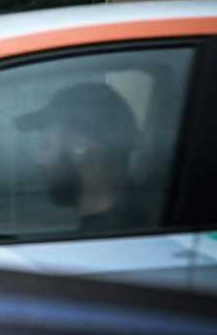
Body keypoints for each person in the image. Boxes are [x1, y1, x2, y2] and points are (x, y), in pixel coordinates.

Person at [16, 82, 149, 232]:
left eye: (46, 145)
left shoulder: (111, 238)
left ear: (81, 147)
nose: (39, 160)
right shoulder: (136, 222)